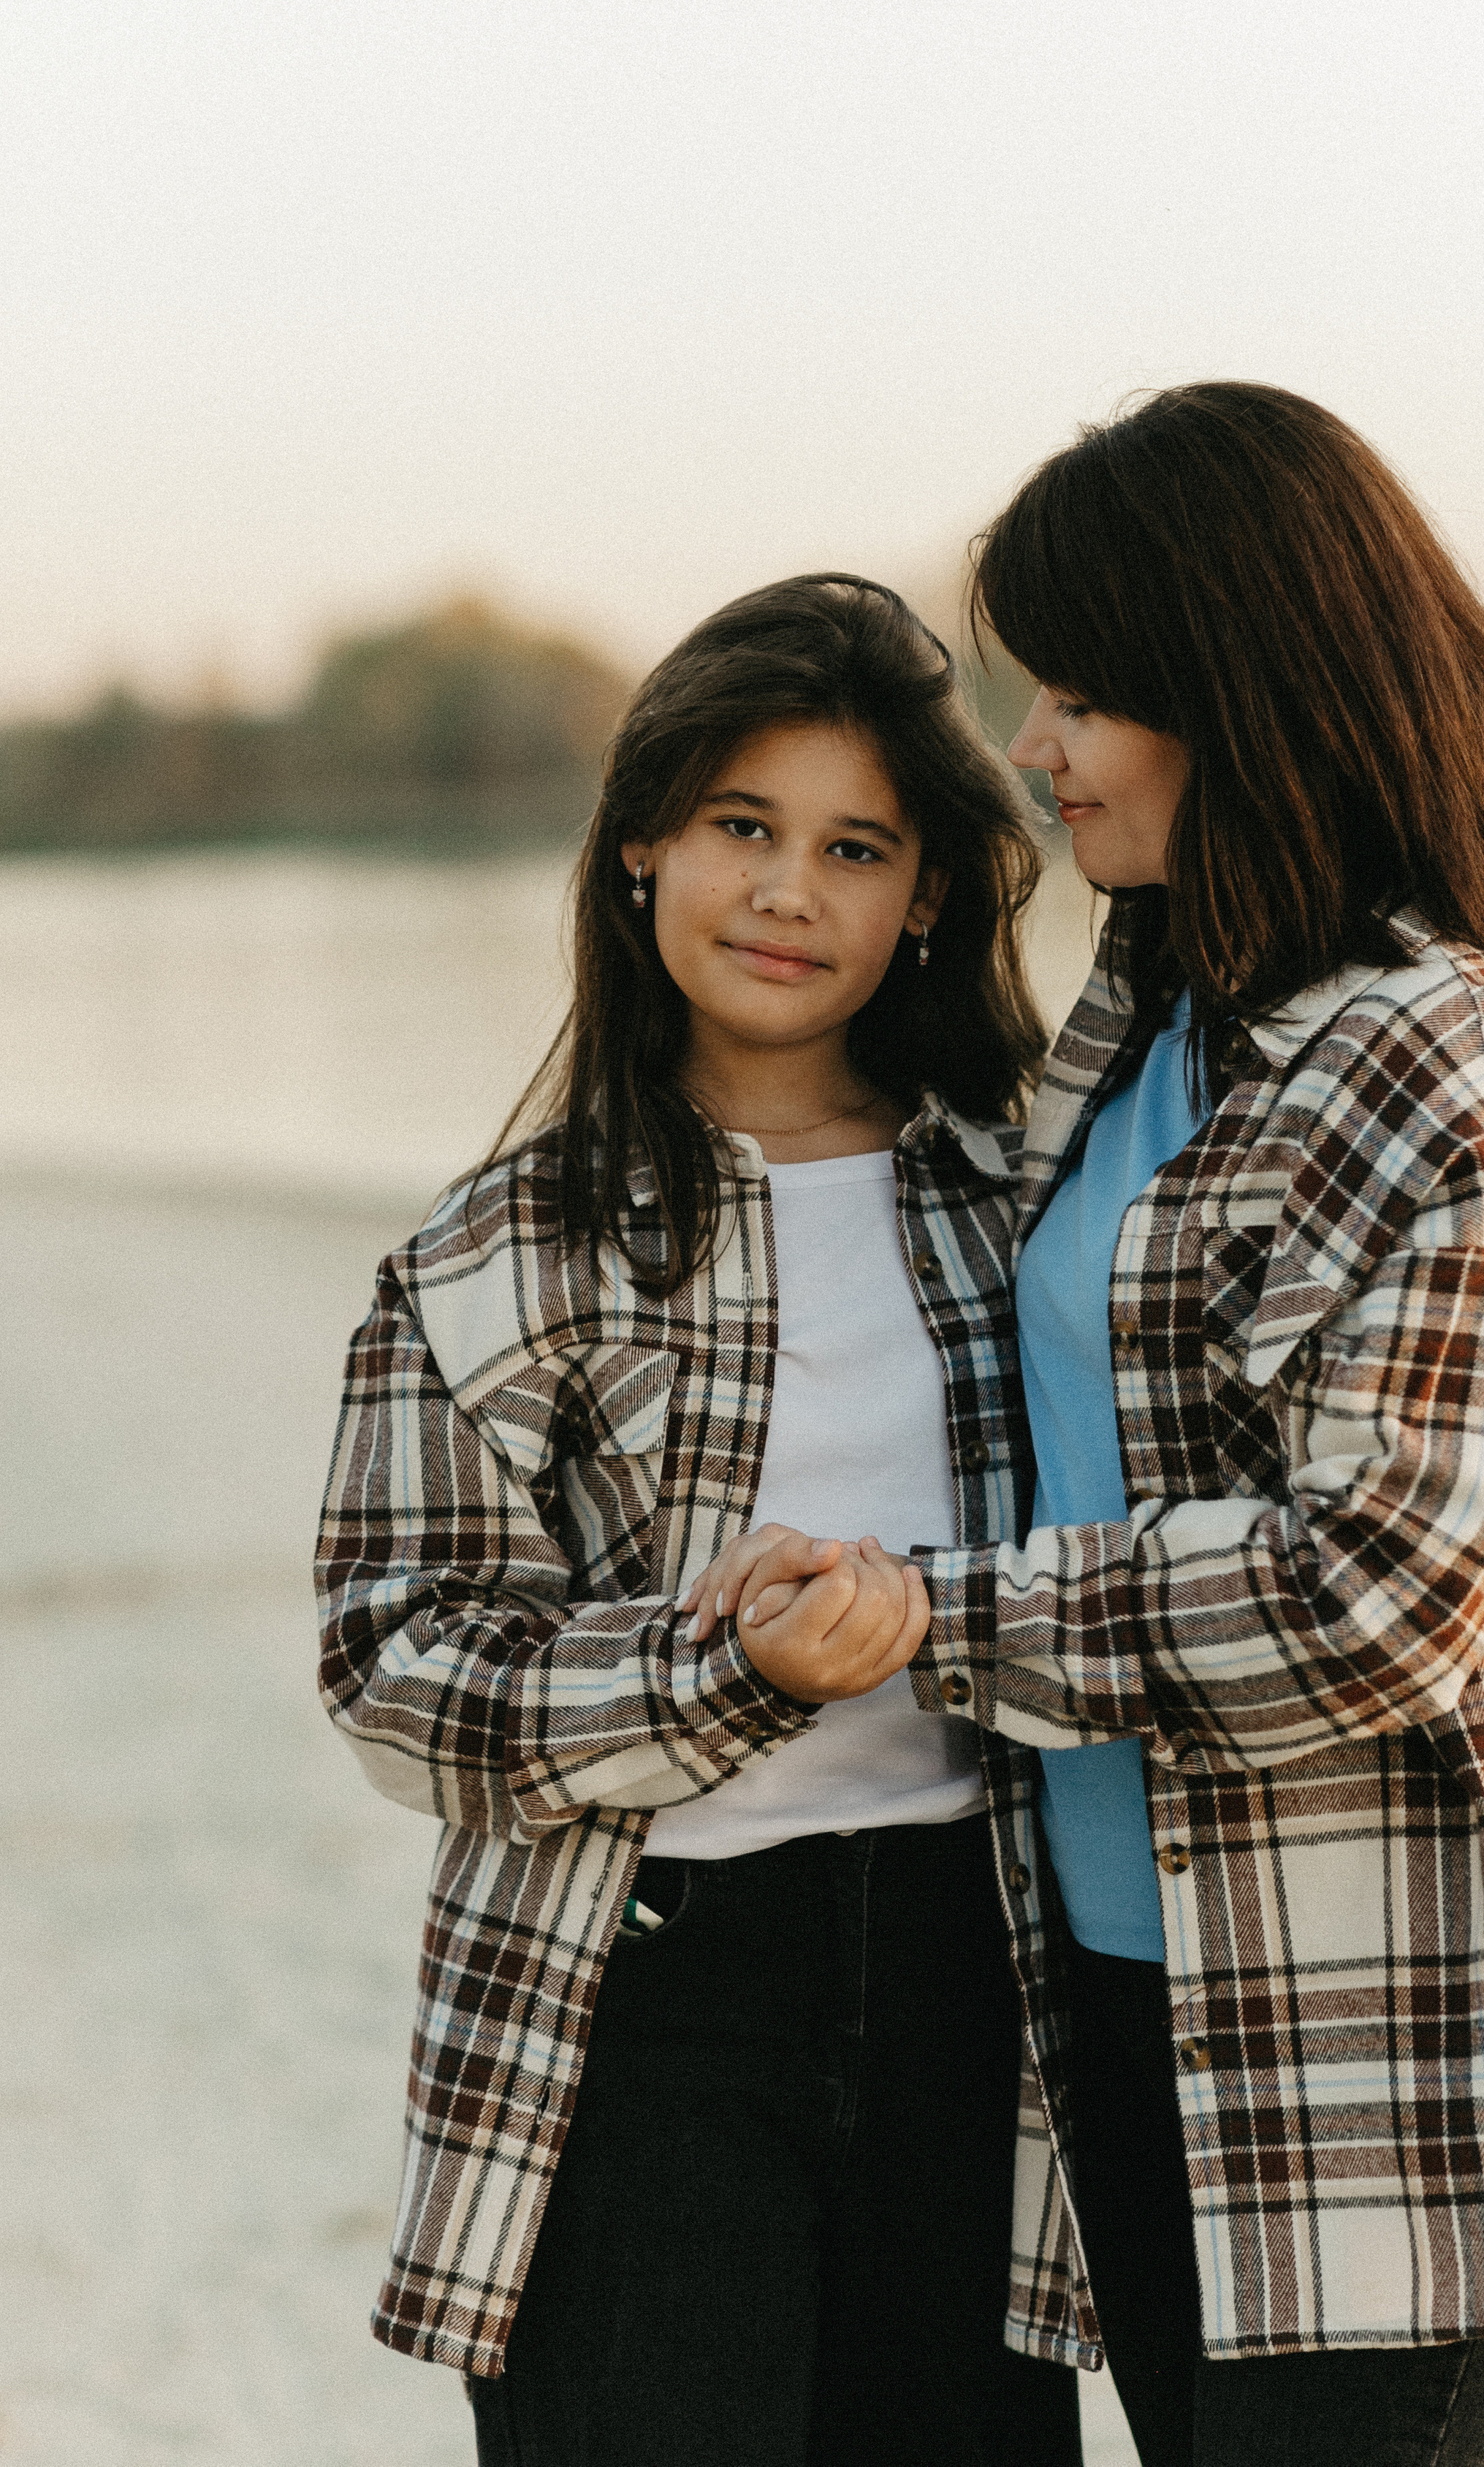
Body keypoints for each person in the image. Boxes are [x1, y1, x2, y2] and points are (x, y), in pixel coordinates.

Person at [709, 392, 1484, 2467]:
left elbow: (1376, 1599)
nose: (1035, 752)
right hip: (1130, 2014)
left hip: (1393, 2065)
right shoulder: (1156, 1021)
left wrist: (920, 1620)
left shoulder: (1454, 1063)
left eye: (1076, 695)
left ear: (1243, 687)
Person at [315, 577, 1084, 2467]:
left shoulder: (1027, 1214)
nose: (787, 893)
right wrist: (719, 1666)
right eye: (742, 828)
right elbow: (394, 1670)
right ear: (641, 843)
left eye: (855, 847)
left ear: (927, 902)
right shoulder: (492, 1256)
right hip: (634, 1989)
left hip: (975, 1981)